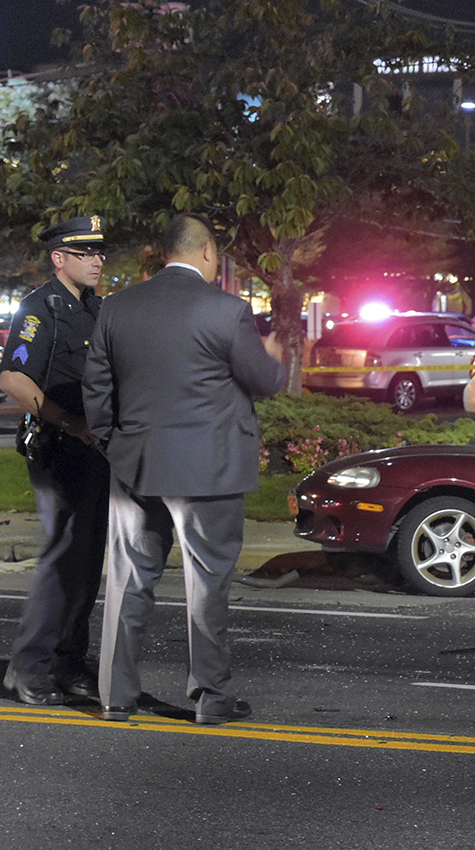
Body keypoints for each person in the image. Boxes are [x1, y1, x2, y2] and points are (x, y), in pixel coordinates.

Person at [83, 213, 286, 724]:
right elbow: (264, 380)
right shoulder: (227, 311)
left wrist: (116, 446)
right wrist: (277, 360)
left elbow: (96, 391)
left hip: (134, 465)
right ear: (205, 254)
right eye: (217, 256)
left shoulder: (117, 307)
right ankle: (212, 699)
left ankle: (115, 696)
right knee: (207, 584)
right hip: (209, 470)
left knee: (127, 582)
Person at [1, 215, 110, 706]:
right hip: (59, 448)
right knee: (62, 558)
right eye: (86, 253)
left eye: (100, 252)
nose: (97, 260)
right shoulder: (40, 308)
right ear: (59, 258)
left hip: (97, 451)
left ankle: (69, 663)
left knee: (87, 564)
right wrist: (69, 423)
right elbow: (14, 379)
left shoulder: (98, 309)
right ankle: (28, 666)